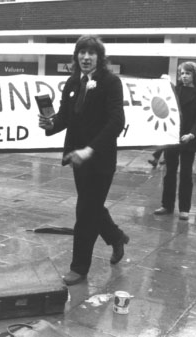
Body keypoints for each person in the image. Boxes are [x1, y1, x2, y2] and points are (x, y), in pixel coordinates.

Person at [38, 35, 129, 285]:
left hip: (100, 159)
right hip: (78, 159)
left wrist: (91, 149)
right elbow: (66, 118)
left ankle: (78, 268)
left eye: (91, 53)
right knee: (91, 205)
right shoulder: (72, 82)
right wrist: (50, 123)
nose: (86, 57)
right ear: (76, 56)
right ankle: (116, 237)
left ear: (100, 57)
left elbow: (116, 122)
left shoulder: (111, 82)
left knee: (85, 212)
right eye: (82, 52)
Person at [153, 61, 196, 221]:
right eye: (182, 73)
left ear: (194, 75)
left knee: (186, 174)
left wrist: (192, 134)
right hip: (173, 137)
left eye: (187, 73)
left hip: (189, 139)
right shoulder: (174, 90)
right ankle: (167, 205)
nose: (184, 76)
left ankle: (184, 209)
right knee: (169, 173)